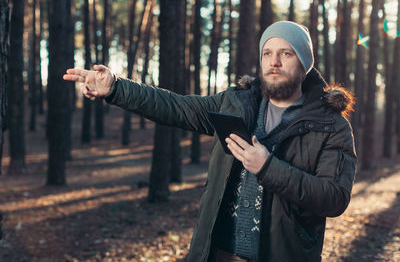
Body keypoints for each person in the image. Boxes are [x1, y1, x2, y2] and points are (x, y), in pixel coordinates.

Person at [63, 21, 356, 262]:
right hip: (217, 254)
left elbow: (334, 198)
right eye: (267, 53)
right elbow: (174, 106)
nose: (274, 62)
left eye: (286, 54)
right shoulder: (236, 103)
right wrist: (116, 87)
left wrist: (267, 167)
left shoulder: (330, 126)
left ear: (304, 63)